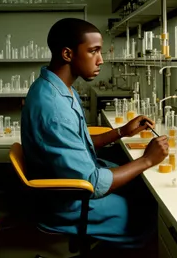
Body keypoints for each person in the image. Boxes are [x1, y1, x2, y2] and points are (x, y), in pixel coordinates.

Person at [21, 18, 169, 253]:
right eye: (93, 51)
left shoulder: (58, 88)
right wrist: (147, 160)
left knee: (140, 188)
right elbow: (93, 183)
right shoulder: (54, 107)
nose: (101, 60)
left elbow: (79, 144)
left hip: (71, 185)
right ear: (68, 54)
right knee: (150, 213)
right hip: (70, 203)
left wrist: (121, 132)